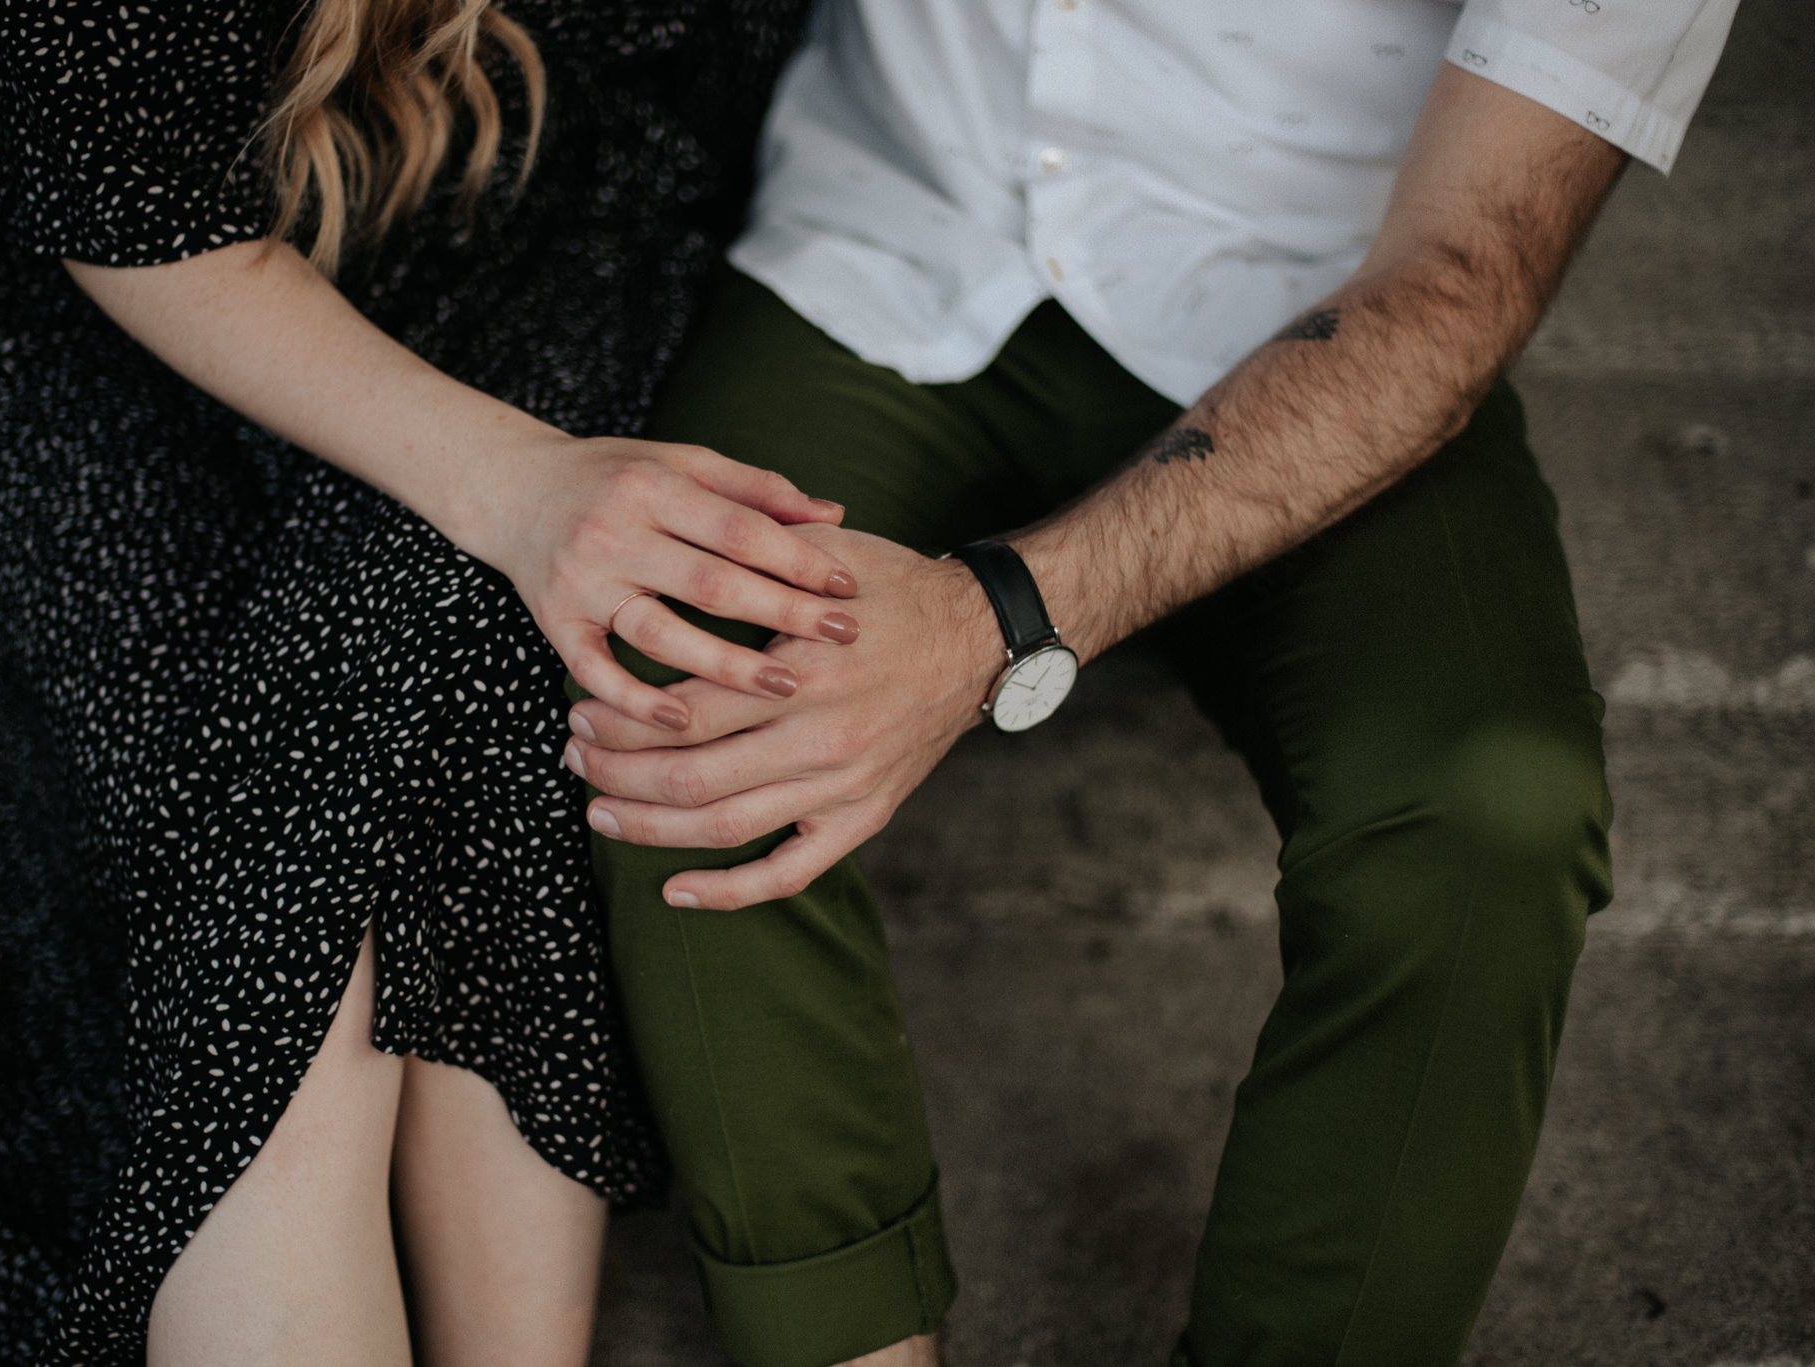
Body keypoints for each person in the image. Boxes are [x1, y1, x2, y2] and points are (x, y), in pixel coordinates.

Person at [563, 2, 1741, 1365]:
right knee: (678, 693)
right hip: (887, 225)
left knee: (1489, 809)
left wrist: (990, 621)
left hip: (1325, 307)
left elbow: (1463, 270)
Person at [0, 1, 844, 1364]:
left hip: (537, 253)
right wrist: (505, 484)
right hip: (145, 335)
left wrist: (532, 486)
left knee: (492, 663)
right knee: (284, 1003)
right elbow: (115, 179)